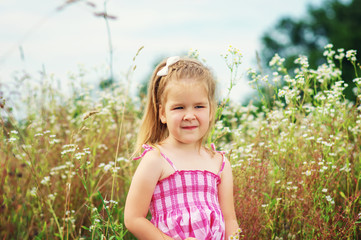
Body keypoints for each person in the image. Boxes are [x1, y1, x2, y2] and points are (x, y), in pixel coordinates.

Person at [124, 56, 240, 240]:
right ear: (162, 113)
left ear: (211, 110)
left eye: (199, 106)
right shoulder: (156, 159)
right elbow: (133, 218)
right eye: (179, 108)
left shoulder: (220, 163)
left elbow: (230, 220)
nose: (189, 115)